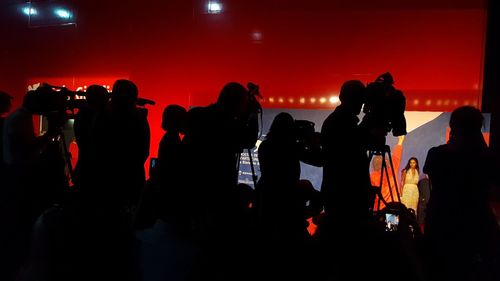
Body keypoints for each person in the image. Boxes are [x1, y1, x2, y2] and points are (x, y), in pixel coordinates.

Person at [423, 106, 500, 281]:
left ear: (453, 127)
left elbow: (431, 171)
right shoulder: (485, 159)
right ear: (478, 129)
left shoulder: (436, 154)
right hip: (474, 223)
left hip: (440, 221)